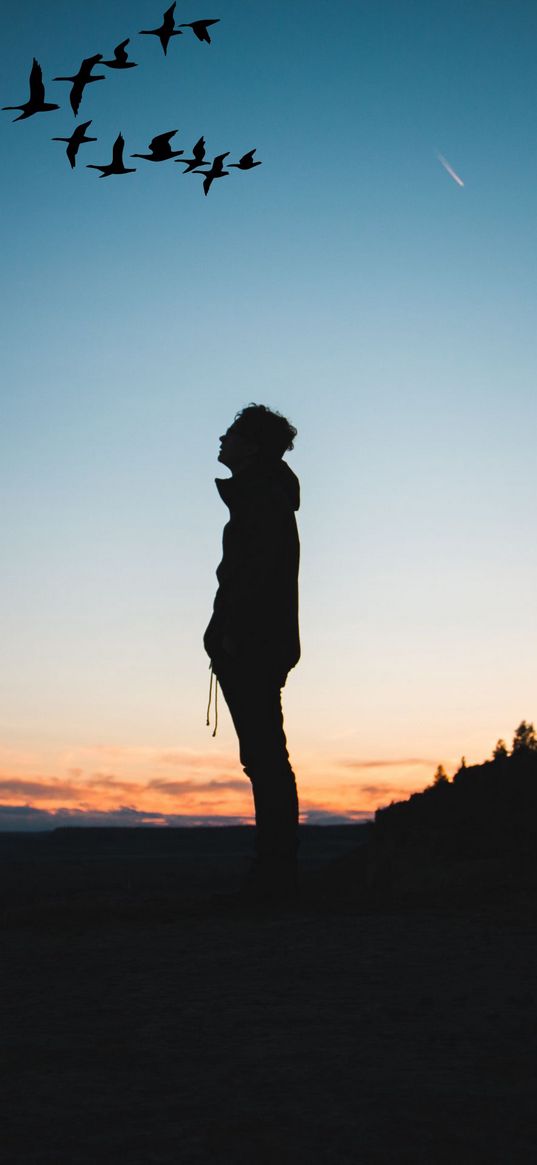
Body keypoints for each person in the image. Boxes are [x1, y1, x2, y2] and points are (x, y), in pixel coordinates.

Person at [204, 403, 301, 903]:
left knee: (265, 759)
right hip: (256, 643)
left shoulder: (262, 496)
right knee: (265, 758)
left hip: (253, 646)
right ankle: (275, 872)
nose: (221, 438)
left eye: (232, 433)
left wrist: (232, 635)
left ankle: (275, 877)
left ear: (253, 445)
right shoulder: (263, 494)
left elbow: (257, 574)